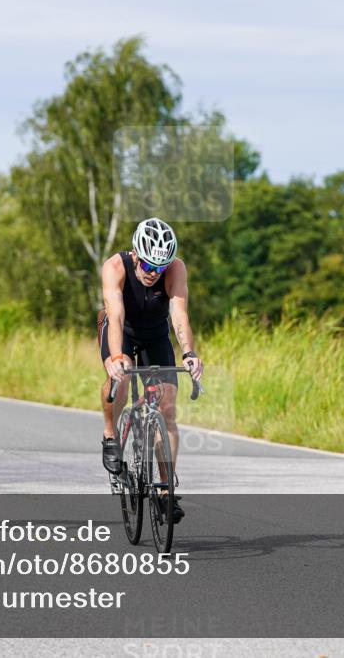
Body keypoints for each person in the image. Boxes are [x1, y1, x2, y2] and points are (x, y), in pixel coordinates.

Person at [98, 217, 204, 524]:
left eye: (159, 268)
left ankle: (165, 491)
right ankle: (109, 435)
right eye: (147, 266)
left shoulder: (175, 269)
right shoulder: (115, 267)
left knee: (167, 407)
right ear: (135, 255)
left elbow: (179, 315)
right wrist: (116, 356)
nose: (153, 274)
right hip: (122, 329)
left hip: (155, 333)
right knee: (119, 374)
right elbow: (115, 316)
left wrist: (189, 353)